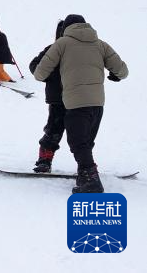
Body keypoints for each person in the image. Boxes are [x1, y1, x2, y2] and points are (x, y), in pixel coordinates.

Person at [34, 14, 128, 193]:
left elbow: (39, 73)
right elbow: (122, 71)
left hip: (75, 102)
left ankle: (89, 178)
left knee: (78, 142)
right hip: (97, 102)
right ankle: (85, 173)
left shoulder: (61, 44)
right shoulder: (100, 44)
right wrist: (115, 75)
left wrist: (53, 74)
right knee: (85, 141)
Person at [29, 20, 67, 173]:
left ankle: (85, 163)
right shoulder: (52, 50)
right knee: (53, 130)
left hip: (76, 98)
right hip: (58, 98)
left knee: (79, 133)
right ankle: (44, 160)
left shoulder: (80, 51)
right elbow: (34, 65)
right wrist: (50, 77)